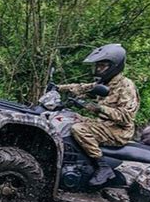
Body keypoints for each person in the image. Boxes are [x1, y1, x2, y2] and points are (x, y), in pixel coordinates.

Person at [58, 43, 140, 186]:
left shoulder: (126, 86)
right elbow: (82, 87)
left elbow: (127, 117)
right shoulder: (105, 82)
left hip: (118, 130)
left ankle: (103, 167)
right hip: (103, 124)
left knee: (79, 129)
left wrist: (98, 108)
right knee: (68, 117)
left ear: (114, 66)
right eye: (98, 65)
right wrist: (59, 88)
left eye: (102, 66)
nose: (98, 69)